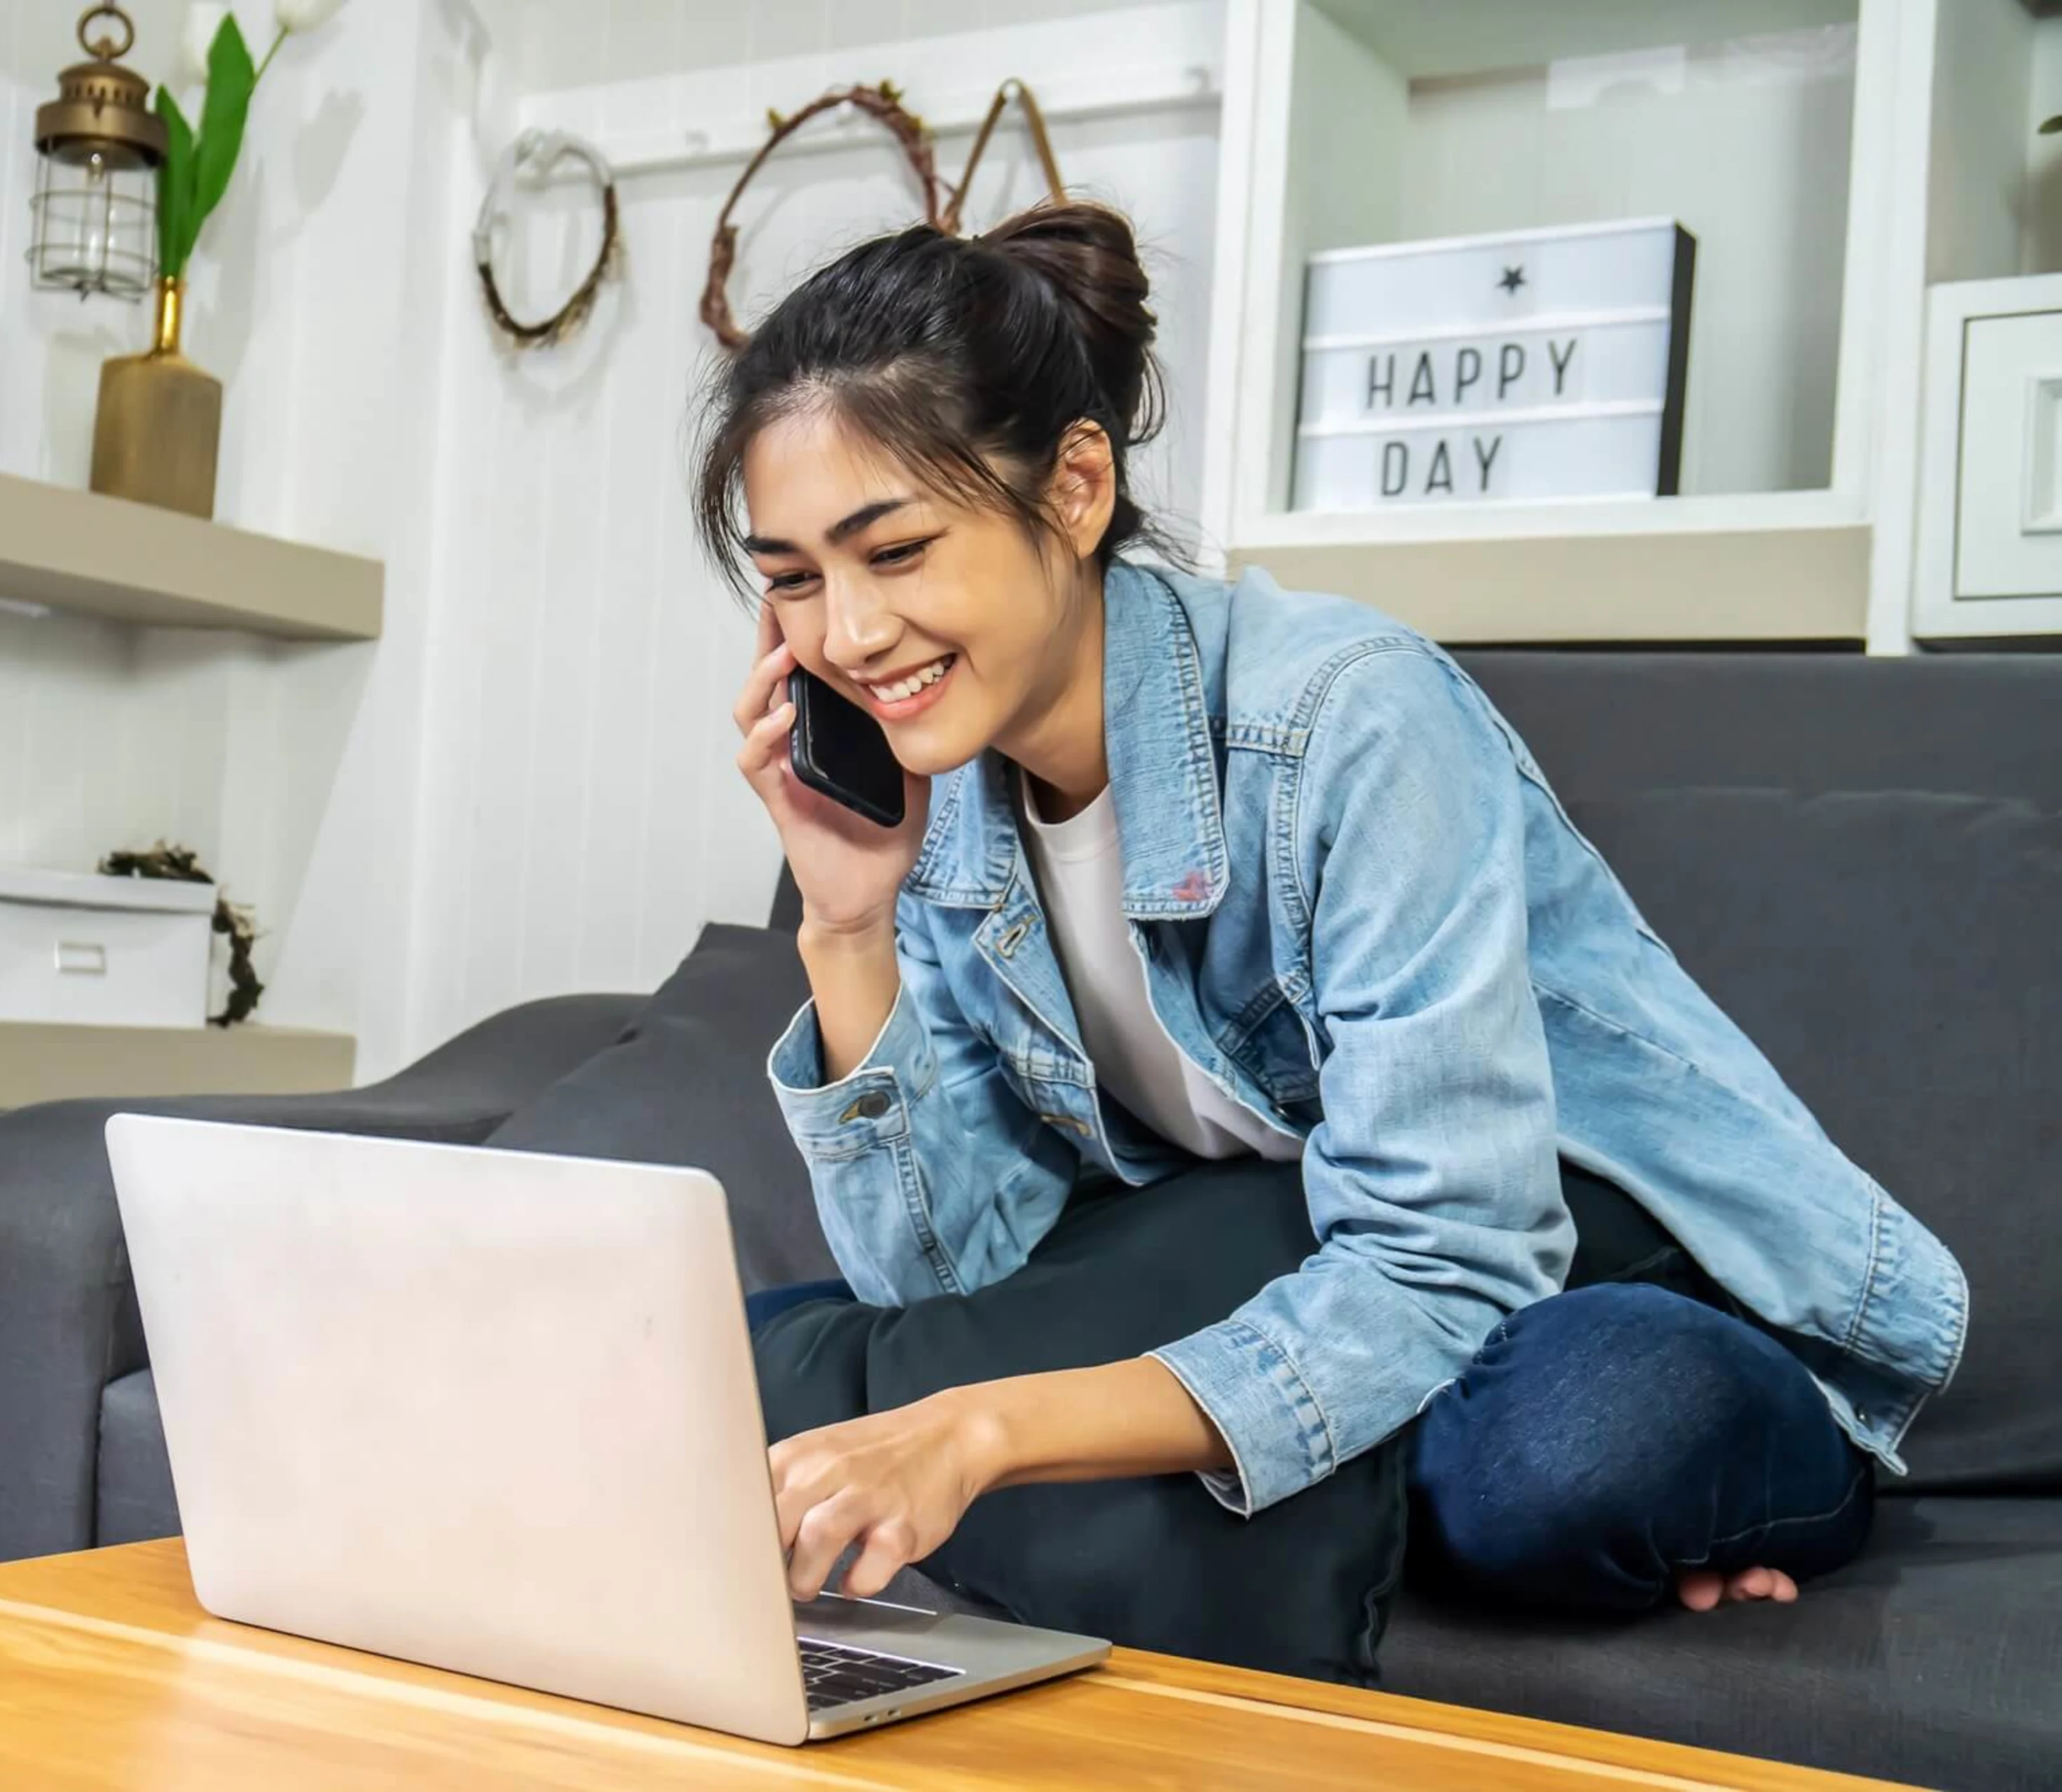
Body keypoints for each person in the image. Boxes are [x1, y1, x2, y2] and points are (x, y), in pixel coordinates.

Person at [704, 202, 1966, 1631]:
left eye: (898, 550)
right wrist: (847, 923)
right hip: (1298, 1260)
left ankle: (1644, 1455)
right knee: (718, 1374)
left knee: (1564, 1448)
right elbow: (956, 1289)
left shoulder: (1347, 718)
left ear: (1071, 488)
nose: (851, 638)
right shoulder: (940, 805)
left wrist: (989, 1434)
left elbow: (1449, 1258)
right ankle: (1333, 1475)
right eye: (795, 580)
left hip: (1587, 1259)